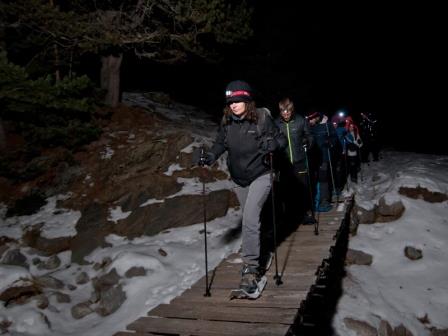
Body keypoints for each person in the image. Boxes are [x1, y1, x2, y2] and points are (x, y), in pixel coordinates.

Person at [193, 80, 286, 297]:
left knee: (250, 219)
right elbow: (220, 144)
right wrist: (209, 156)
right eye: (230, 101)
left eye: (237, 100)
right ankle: (261, 252)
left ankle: (251, 270)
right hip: (239, 178)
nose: (233, 105)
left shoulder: (262, 118)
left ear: (247, 100)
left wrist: (274, 145)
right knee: (250, 218)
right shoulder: (227, 120)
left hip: (262, 174)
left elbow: (281, 139)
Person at [274, 97, 315, 225]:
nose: (285, 114)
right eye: (283, 111)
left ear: (292, 110)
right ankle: (290, 216)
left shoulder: (300, 121)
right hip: (284, 163)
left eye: (288, 111)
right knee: (286, 190)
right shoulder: (276, 124)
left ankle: (305, 214)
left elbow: (310, 136)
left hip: (299, 161)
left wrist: (307, 141)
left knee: (302, 189)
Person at [306, 111, 338, 212]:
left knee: (323, 178)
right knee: (313, 179)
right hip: (312, 157)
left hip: (323, 156)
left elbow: (334, 137)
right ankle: (314, 201)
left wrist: (330, 142)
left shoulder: (327, 125)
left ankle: (324, 201)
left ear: (317, 118)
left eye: (312, 119)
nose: (310, 121)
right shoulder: (308, 126)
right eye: (309, 119)